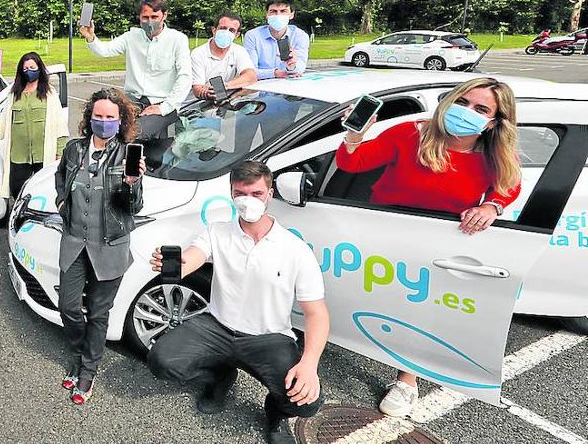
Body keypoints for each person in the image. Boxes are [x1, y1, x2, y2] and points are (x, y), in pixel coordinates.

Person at [334, 76, 521, 417]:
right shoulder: (411, 133)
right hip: (382, 227)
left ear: (492, 122)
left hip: (438, 240)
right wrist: (355, 135)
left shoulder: (493, 154)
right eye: (462, 102)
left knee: (419, 310)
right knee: (370, 296)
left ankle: (407, 380)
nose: (467, 112)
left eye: (480, 109)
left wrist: (492, 206)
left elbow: (509, 186)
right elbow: (352, 163)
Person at [147, 161, 328, 444]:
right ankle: (220, 376)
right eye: (240, 194)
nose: (248, 201)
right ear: (231, 194)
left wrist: (309, 364)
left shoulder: (295, 250)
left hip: (268, 339)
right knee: (162, 361)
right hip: (216, 327)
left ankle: (275, 412)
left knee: (307, 402)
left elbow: (317, 314)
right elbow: (193, 255)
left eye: (256, 193)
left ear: (269, 194)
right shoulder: (216, 231)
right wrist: (178, 264)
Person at [54, 88, 144, 405]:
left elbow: (133, 207)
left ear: (120, 121)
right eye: (98, 116)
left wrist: (132, 186)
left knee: (98, 312)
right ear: (89, 117)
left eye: (110, 117)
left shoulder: (127, 155)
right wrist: (62, 200)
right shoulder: (73, 149)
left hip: (109, 247)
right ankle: (79, 354)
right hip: (75, 242)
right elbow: (60, 177)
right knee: (68, 306)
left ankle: (88, 369)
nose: (103, 122)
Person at [80, 0, 191, 138]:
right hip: (132, 100)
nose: (149, 22)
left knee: (133, 133)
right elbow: (105, 50)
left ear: (164, 15)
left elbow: (185, 77)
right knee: (98, 125)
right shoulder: (131, 36)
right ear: (139, 17)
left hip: (162, 103)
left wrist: (164, 108)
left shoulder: (178, 40)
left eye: (154, 17)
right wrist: (90, 37)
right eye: (145, 18)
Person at [0, 52, 67, 202]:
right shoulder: (14, 94)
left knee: (43, 192)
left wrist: (59, 152)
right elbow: (4, 120)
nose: (29, 71)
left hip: (43, 154)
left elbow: (60, 124)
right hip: (18, 156)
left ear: (39, 69)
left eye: (32, 67)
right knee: (18, 193)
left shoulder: (49, 93)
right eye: (25, 68)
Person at [190, 11, 258, 100]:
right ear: (214, 30)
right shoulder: (198, 54)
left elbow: (251, 76)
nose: (226, 32)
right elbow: (197, 88)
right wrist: (209, 92)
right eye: (223, 28)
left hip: (226, 102)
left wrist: (224, 87)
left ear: (237, 35)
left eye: (232, 30)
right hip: (197, 106)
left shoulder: (239, 51)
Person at [243, 0, 309, 80]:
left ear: (291, 14)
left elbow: (300, 69)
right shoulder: (253, 36)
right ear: (267, 14)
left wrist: (291, 66)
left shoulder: (300, 36)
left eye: (283, 11)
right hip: (261, 90)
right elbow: (250, 71)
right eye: (273, 11)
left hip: (289, 89)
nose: (278, 15)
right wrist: (275, 73)